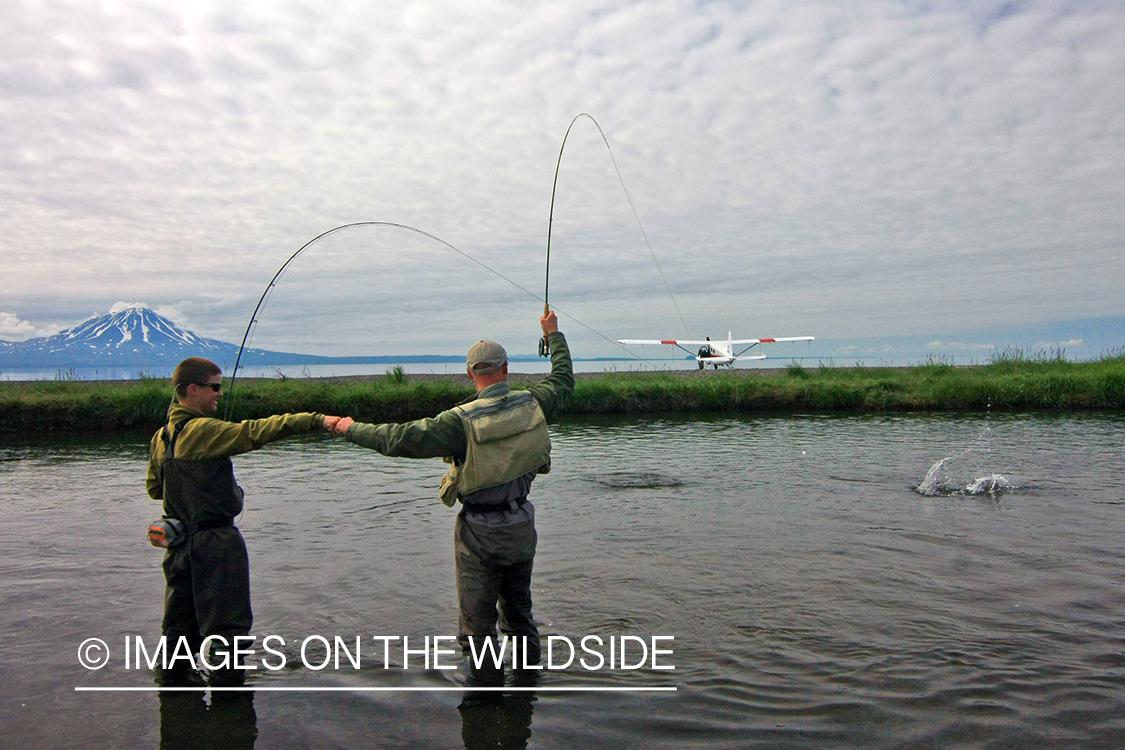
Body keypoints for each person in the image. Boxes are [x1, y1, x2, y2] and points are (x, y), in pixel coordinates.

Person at [332, 310, 573, 677]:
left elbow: (397, 439)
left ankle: (484, 699)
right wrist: (552, 333)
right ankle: (528, 687)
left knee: (477, 626)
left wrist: (350, 428)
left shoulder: (458, 422)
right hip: (523, 524)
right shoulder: (535, 403)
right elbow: (563, 378)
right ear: (506, 368)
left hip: (479, 532)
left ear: (469, 373)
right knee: (520, 614)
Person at [146, 356, 341, 686]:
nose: (219, 394)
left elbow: (155, 489)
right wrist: (317, 420)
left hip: (178, 546)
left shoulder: (160, 437)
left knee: (178, 627)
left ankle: (174, 699)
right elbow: (257, 431)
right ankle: (229, 704)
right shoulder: (203, 430)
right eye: (214, 387)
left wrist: (199, 487)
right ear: (193, 389)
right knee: (229, 632)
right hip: (216, 544)